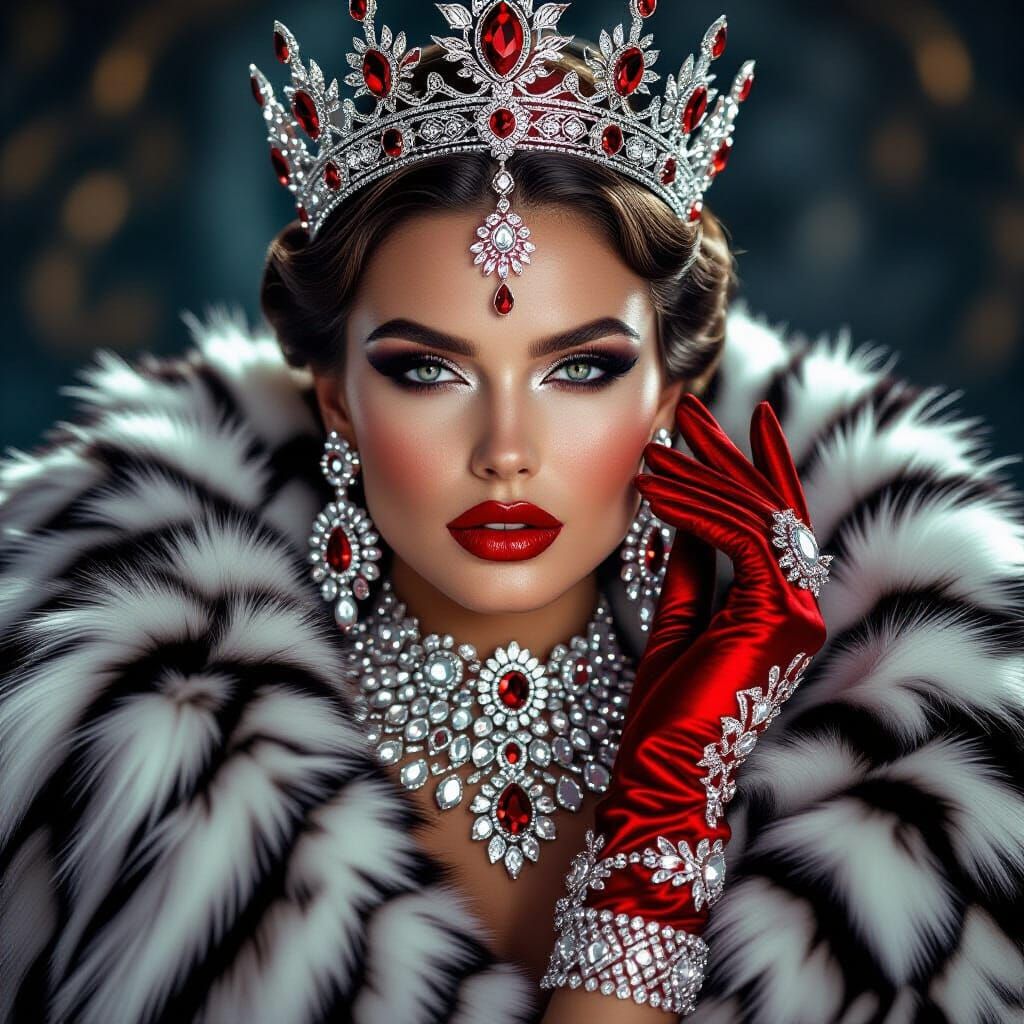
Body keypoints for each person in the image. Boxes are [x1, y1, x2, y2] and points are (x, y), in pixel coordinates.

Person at [1, 2, 1022, 1022]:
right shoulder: (132, 768)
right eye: (426, 370)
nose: (504, 451)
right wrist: (664, 811)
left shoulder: (912, 783)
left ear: (668, 398)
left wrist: (691, 759)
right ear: (336, 402)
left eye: (579, 368)